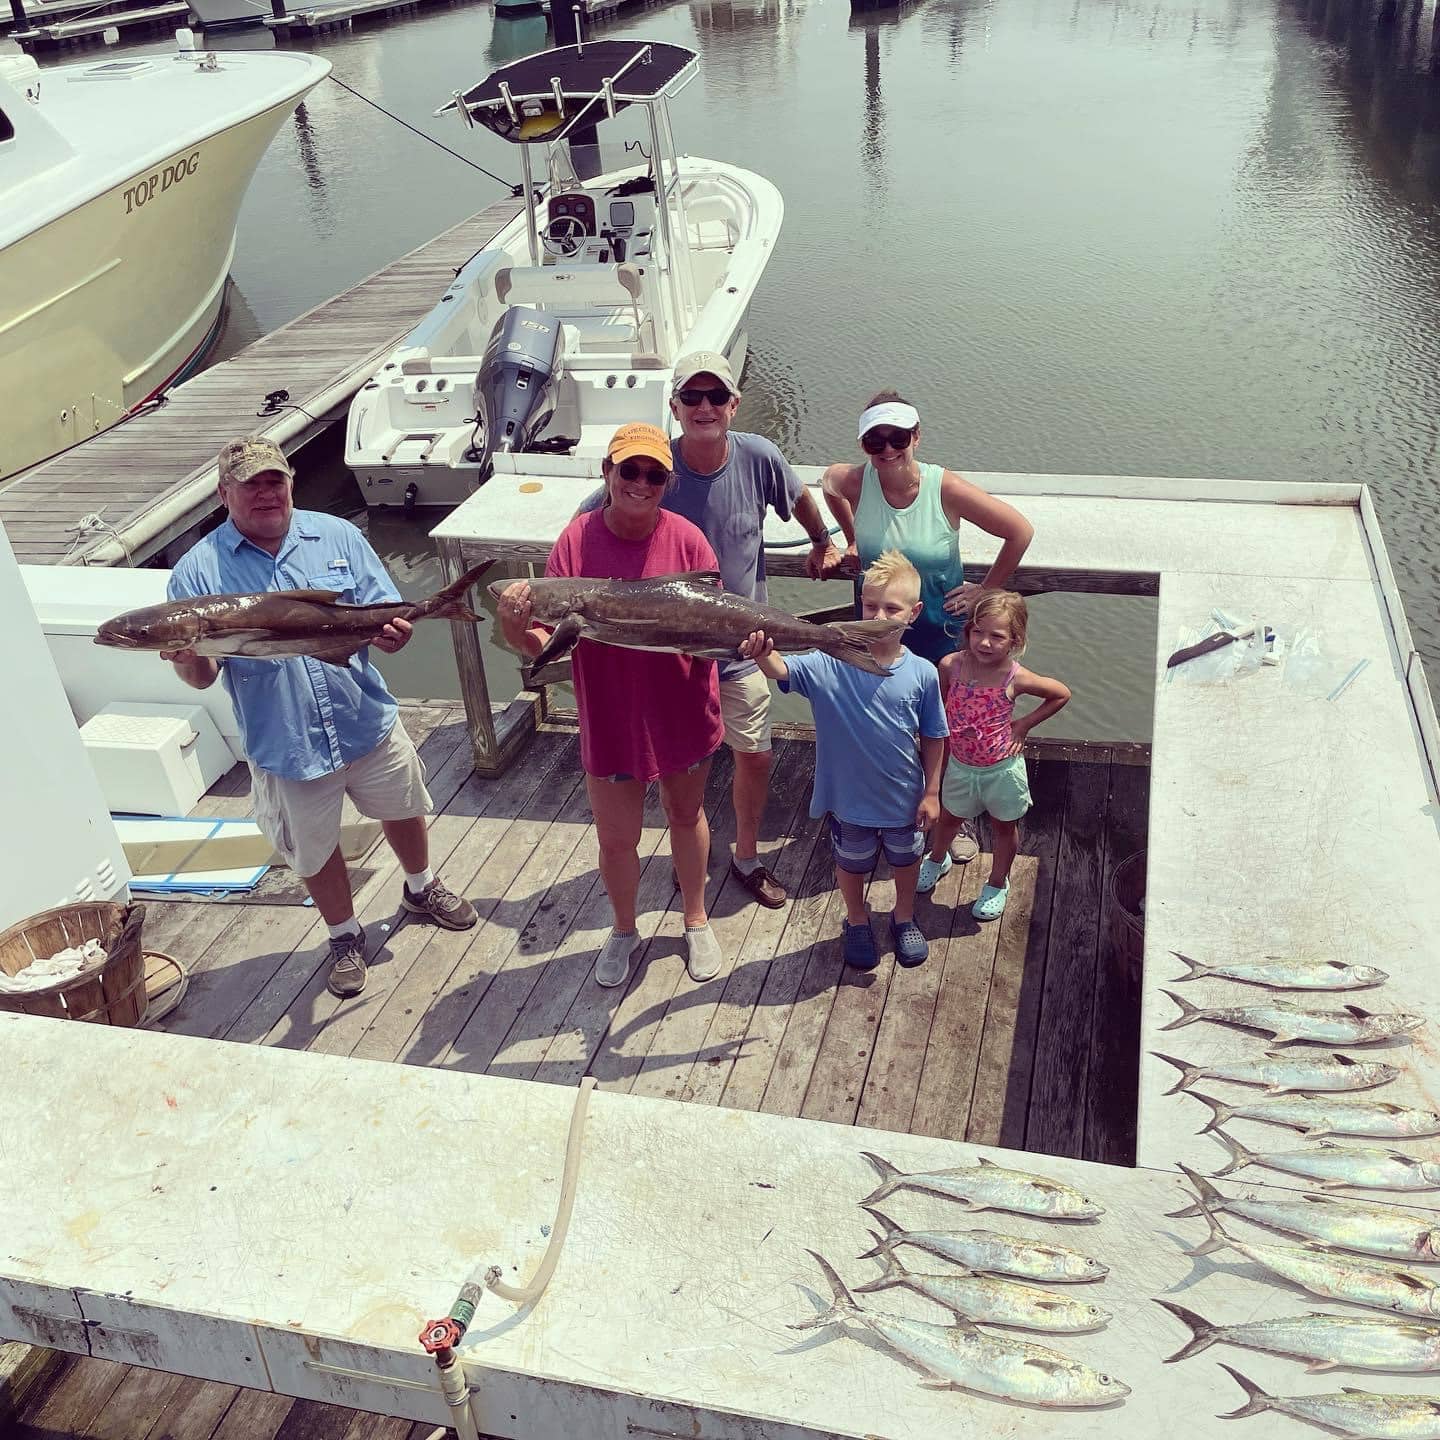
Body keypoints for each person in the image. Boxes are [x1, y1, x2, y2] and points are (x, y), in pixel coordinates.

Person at [163, 436, 477, 1000]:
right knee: (313, 846)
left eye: (275, 481)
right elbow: (203, 678)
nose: (266, 493)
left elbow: (383, 617)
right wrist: (186, 658)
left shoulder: (337, 535)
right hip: (288, 742)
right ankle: (343, 934)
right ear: (223, 493)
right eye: (251, 484)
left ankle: (420, 887)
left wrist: (395, 635)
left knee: (403, 807)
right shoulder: (197, 573)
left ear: (290, 483)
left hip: (364, 716)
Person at [576, 351, 844, 910]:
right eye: (692, 397)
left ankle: (746, 855)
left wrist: (823, 540)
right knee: (672, 771)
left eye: (716, 396)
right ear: (674, 406)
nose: (704, 407)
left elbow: (798, 496)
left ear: (733, 404)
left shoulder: (759, 456)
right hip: (669, 657)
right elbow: (591, 519)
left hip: (744, 648)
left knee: (754, 754)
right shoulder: (650, 467)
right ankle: (689, 860)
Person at [498, 423, 727, 990]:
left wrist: (748, 645)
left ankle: (695, 919)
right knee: (617, 838)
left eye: (654, 474)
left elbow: (715, 625)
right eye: (629, 470)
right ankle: (624, 929)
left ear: (667, 483)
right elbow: (546, 644)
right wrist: (515, 629)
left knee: (686, 816)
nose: (641, 483)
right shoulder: (576, 540)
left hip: (683, 709)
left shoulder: (689, 540)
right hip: (610, 717)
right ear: (607, 473)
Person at [820, 390, 1035, 867]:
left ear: (916, 436)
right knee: (879, 718)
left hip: (941, 631)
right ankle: (884, 806)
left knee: (946, 724)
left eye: (897, 437)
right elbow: (827, 483)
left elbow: (1019, 531)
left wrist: (986, 590)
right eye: (875, 441)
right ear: (863, 445)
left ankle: (952, 815)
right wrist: (847, 538)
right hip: (876, 630)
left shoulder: (944, 488)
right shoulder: (855, 481)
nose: (887, 449)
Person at [739, 551, 948, 970]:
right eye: (871, 606)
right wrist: (762, 653)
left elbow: (934, 735)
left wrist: (932, 792)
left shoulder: (923, 673)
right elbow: (781, 670)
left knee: (906, 860)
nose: (878, 616)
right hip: (848, 799)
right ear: (859, 604)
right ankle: (856, 918)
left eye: (892, 608)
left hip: (904, 798)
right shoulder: (827, 661)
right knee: (850, 864)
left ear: (914, 613)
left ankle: (903, 916)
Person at [917, 591, 1071, 921]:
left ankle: (997, 882)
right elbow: (940, 712)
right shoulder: (950, 665)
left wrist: (1024, 725)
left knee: (1004, 827)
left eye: (997, 636)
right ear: (968, 630)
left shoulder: (1016, 677)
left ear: (1015, 640)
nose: (985, 643)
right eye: (978, 632)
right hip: (960, 765)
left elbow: (1060, 694)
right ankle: (937, 859)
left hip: (1001, 770)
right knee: (949, 819)